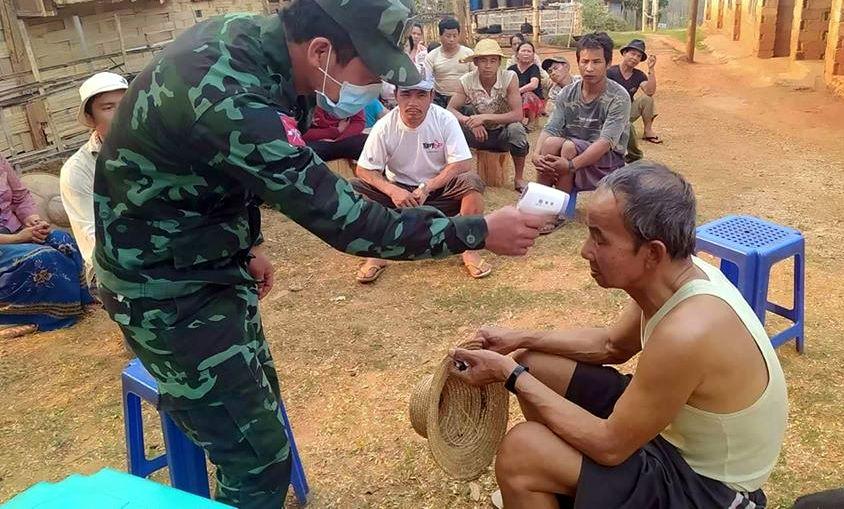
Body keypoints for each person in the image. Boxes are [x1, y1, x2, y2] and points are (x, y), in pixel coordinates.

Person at [93, 1, 544, 507]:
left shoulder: (256, 46)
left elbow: (227, 168)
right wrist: (478, 230)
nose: (379, 88)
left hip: (208, 261)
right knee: (256, 459)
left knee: (257, 418)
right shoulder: (227, 92)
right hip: (166, 289)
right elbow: (353, 224)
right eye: (371, 72)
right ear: (322, 50)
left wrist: (249, 241)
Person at [450, 162, 788, 509]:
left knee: (522, 453)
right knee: (535, 365)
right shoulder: (678, 275)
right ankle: (556, 484)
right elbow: (612, 345)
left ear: (652, 252)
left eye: (599, 237)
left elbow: (610, 447)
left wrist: (509, 374)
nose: (585, 250)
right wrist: (521, 340)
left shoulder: (687, 332)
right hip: (672, 438)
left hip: (707, 489)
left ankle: (537, 477)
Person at [351, 75, 491, 282]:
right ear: (396, 95)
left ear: (432, 96)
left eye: (421, 95)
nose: (413, 102)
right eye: (406, 94)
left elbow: (462, 163)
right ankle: (375, 253)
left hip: (439, 190)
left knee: (471, 182)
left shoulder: (445, 119)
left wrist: (428, 187)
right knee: (356, 188)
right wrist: (392, 190)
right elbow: (364, 169)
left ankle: (468, 246)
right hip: (399, 194)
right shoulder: (384, 126)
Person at [532, 32, 630, 233]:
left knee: (568, 146)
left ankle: (556, 213)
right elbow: (551, 127)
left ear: (608, 63)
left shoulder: (619, 96)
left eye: (597, 62)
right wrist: (536, 154)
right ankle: (537, 207)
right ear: (577, 62)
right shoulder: (568, 92)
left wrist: (569, 165)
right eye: (584, 61)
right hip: (575, 152)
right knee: (550, 145)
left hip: (606, 161)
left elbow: (605, 142)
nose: (589, 68)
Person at [1, 155, 94, 337]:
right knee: (45, 258)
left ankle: (83, 302)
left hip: (16, 230)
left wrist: (32, 220)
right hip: (7, 241)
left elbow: (20, 197)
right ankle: (35, 317)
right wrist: (18, 238)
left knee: (63, 241)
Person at [59, 72, 128, 288]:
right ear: (90, 118)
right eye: (108, 108)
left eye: (126, 103)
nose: (121, 113)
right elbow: (94, 239)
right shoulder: (78, 170)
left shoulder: (162, 149)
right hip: (112, 265)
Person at [447, 39, 528, 193]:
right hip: (478, 134)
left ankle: (518, 179)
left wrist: (484, 118)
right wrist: (470, 121)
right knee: (451, 126)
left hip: (503, 134)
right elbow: (450, 109)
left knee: (517, 129)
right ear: (476, 62)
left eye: (493, 60)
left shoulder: (509, 77)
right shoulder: (466, 80)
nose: (488, 65)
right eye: (483, 60)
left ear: (499, 62)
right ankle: (458, 174)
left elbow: (518, 114)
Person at [607, 39, 661, 144]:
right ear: (624, 53)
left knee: (647, 99)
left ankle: (648, 130)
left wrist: (651, 69)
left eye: (639, 56)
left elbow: (649, 91)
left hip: (627, 112)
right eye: (632, 54)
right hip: (609, 113)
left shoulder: (639, 75)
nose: (635, 58)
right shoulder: (610, 72)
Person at [425, 17, 473, 108]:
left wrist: (471, 93)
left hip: (464, 97)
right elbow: (427, 80)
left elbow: (476, 76)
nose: (452, 39)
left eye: (455, 36)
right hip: (440, 98)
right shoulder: (431, 56)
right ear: (440, 36)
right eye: (448, 36)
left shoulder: (468, 54)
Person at [302, 106, 368, 162]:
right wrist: (335, 131)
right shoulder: (308, 100)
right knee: (304, 150)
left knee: (367, 142)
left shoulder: (352, 99)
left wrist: (338, 140)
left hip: (343, 142)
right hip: (317, 144)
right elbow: (299, 133)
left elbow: (358, 122)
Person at [508, 41, 545, 129]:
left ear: (533, 55)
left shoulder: (534, 68)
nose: (526, 53)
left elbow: (533, 85)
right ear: (517, 54)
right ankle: (517, 121)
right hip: (516, 100)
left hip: (535, 102)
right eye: (523, 51)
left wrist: (517, 91)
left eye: (529, 51)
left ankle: (531, 122)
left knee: (528, 95)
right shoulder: (511, 69)